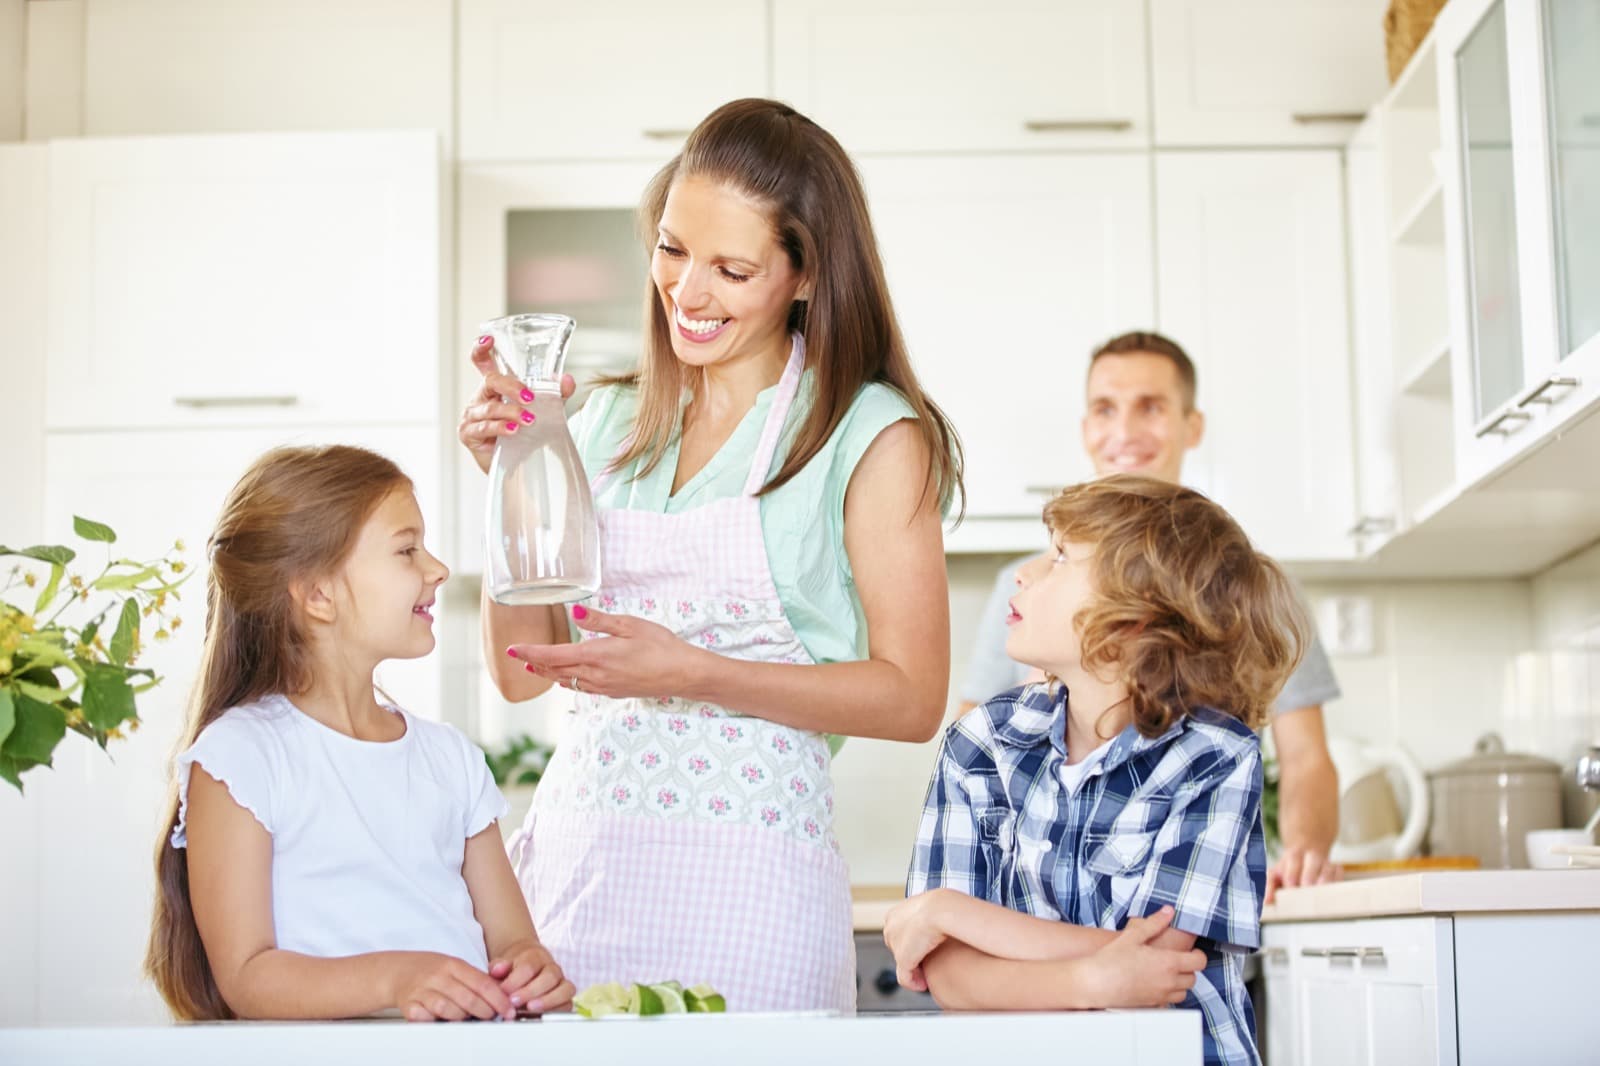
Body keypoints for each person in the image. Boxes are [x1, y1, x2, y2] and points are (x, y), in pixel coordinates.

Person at [455, 98, 962, 1013]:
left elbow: (913, 696)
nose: (687, 293)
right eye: (671, 249)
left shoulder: (868, 435)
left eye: (732, 269)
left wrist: (691, 672)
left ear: (805, 276)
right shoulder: (604, 420)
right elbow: (520, 673)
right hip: (581, 873)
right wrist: (513, 478)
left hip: (755, 881)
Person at [889, 475, 1307, 1066]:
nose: (1026, 573)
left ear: (1136, 614)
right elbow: (950, 977)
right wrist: (1092, 980)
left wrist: (949, 913)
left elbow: (1157, 966)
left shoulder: (1214, 756)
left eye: (1060, 556)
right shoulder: (980, 743)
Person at [145, 445, 572, 1022]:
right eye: (406, 550)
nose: (437, 569)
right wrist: (399, 977)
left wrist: (529, 965)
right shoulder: (241, 757)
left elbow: (512, 941)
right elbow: (247, 975)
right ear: (318, 594)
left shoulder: (449, 759)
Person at [958, 331, 1341, 900]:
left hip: (1202, 898)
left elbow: (1306, 754)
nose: (1125, 431)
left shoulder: (1251, 587)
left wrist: (1304, 851)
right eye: (1105, 409)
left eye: (1152, 407)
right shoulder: (1027, 588)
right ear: (1085, 428)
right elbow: (977, 751)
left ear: (1193, 426)